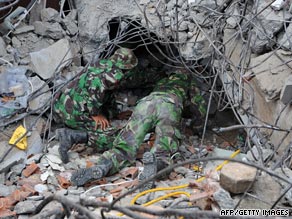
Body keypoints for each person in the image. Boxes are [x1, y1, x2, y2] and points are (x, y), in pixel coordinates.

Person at [70, 70, 208, 188]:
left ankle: (102, 167)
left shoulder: (162, 81)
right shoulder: (189, 82)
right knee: (163, 151)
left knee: (124, 147)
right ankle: (155, 166)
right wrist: (196, 128)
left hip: (146, 103)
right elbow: (199, 108)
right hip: (169, 105)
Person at [53, 47, 141, 163]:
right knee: (113, 139)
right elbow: (94, 88)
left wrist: (115, 114)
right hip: (74, 112)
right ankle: (71, 136)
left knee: (108, 122)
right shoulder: (114, 77)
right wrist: (94, 114)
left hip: (63, 104)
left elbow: (106, 95)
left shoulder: (101, 64)